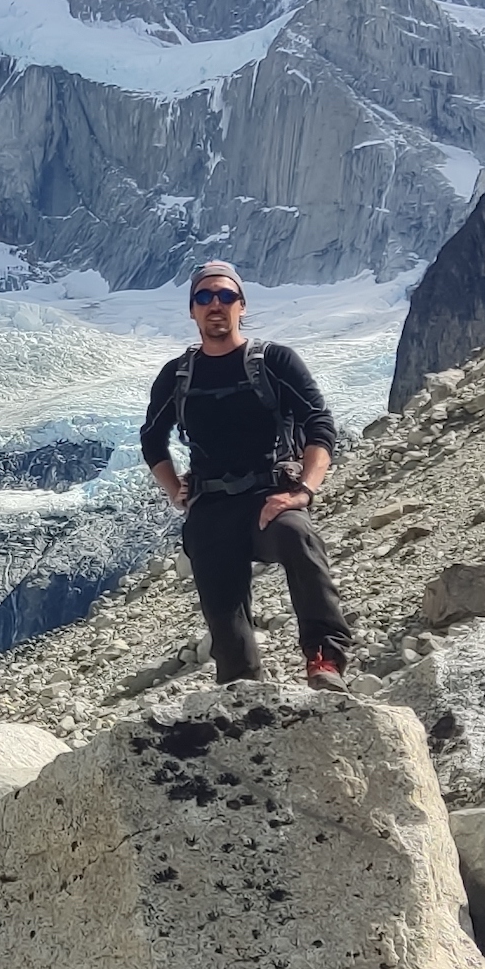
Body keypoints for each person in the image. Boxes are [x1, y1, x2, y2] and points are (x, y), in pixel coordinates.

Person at [139, 260, 354, 690]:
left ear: (242, 305)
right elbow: (151, 440)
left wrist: (305, 491)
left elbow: (320, 426)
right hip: (212, 509)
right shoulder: (178, 376)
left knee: (298, 538)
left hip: (268, 498)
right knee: (226, 624)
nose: (214, 305)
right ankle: (243, 696)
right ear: (192, 310)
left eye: (225, 296)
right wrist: (175, 490)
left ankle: (324, 659)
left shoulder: (275, 362)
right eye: (204, 297)